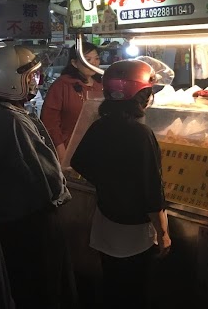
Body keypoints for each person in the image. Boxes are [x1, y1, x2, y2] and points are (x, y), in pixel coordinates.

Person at [70, 60, 171, 309]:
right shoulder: (140, 133)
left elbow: (78, 161)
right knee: (135, 293)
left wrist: (109, 183)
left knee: (112, 286)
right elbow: (151, 191)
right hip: (135, 233)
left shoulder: (100, 125)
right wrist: (164, 233)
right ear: (142, 96)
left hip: (105, 223)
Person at [0, 43, 77, 309]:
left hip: (9, 221)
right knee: (43, 290)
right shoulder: (13, 120)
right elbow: (46, 180)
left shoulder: (4, 112)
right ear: (11, 80)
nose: (36, 82)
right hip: (30, 225)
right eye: (31, 77)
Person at [41, 42, 103, 161]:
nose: (93, 63)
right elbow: (50, 122)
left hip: (95, 149)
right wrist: (61, 152)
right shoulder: (62, 85)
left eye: (96, 58)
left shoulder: (100, 86)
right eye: (87, 59)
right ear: (74, 63)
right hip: (68, 148)